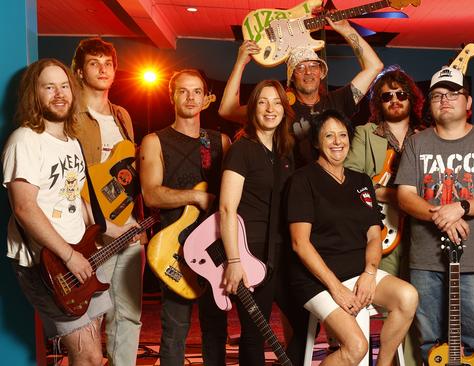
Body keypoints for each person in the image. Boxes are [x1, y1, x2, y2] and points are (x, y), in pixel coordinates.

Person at [2, 58, 135, 366]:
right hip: (49, 264)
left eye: (64, 87)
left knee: (93, 355)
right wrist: (68, 256)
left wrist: (108, 230)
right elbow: (24, 207)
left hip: (81, 256)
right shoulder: (25, 141)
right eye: (49, 87)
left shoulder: (70, 141)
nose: (59, 94)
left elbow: (75, 197)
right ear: (34, 95)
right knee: (87, 357)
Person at [395, 66, 474, 365]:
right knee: (429, 340)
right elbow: (405, 196)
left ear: (469, 102)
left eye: (453, 94)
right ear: (429, 104)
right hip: (426, 260)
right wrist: (442, 215)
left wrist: (460, 207)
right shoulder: (416, 143)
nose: (445, 100)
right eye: (437, 95)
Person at [286, 109, 418, 366]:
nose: (337, 142)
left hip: (358, 271)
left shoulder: (361, 181)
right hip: (317, 280)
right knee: (357, 347)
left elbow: (373, 235)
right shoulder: (302, 180)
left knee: (408, 296)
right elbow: (300, 244)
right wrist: (336, 289)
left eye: (343, 135)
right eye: (329, 136)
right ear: (316, 142)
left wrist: (370, 273)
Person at [139, 69, 231, 366]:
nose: (190, 97)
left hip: (214, 250)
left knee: (216, 330)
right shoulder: (155, 141)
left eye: (197, 92)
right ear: (172, 96)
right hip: (173, 250)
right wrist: (196, 196)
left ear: (206, 99)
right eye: (183, 91)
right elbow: (151, 195)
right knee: (174, 331)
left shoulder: (221, 141)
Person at [219, 16, 383, 167]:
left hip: (330, 188)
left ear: (321, 72)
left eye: (313, 66)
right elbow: (227, 110)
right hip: (292, 189)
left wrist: (347, 30)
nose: (308, 72)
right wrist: (240, 63)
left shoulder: (338, 100)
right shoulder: (279, 108)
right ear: (291, 77)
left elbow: (375, 66)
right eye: (300, 68)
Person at [71, 37, 145, 366]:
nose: (103, 69)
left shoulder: (122, 116)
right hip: (94, 236)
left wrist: (140, 224)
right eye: (94, 63)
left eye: (108, 63)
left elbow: (132, 176)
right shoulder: (70, 117)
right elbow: (69, 182)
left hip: (129, 233)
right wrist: (98, 226)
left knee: (128, 316)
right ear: (78, 71)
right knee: (90, 319)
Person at [344, 65, 424, 365]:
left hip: (420, 235)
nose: (394, 99)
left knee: (420, 309)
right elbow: (353, 180)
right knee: (393, 308)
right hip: (381, 234)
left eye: (401, 94)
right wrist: (395, 195)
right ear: (378, 101)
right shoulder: (365, 133)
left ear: (411, 99)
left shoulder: (426, 137)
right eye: (386, 95)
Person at [219, 79, 302, 365]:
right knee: (254, 333)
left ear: (285, 110)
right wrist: (233, 260)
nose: (270, 109)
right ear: (253, 109)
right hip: (251, 251)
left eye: (277, 102)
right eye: (263, 102)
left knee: (306, 324)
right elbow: (227, 208)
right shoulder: (242, 149)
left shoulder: (285, 152)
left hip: (284, 254)